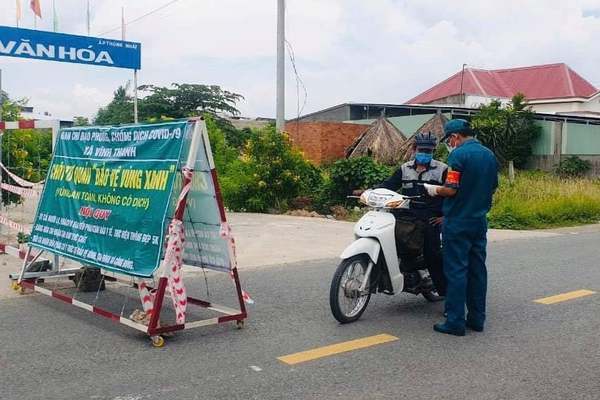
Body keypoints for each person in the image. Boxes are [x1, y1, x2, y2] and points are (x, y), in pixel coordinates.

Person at [423, 119, 499, 336]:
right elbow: (492, 186)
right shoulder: (488, 154)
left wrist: (433, 190)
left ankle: (455, 322)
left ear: (455, 137)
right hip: (478, 221)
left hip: (457, 222)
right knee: (477, 270)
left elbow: (451, 189)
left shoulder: (458, 155)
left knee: (456, 271)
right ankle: (476, 319)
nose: (450, 144)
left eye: (450, 140)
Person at [373, 132, 448, 297]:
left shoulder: (442, 169)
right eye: (422, 150)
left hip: (431, 218)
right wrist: (371, 192)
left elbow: (452, 194)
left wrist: (445, 216)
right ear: (414, 149)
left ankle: (445, 293)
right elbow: (388, 186)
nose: (425, 154)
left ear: (434, 151)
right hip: (407, 216)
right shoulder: (404, 168)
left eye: (429, 151)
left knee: (432, 256)